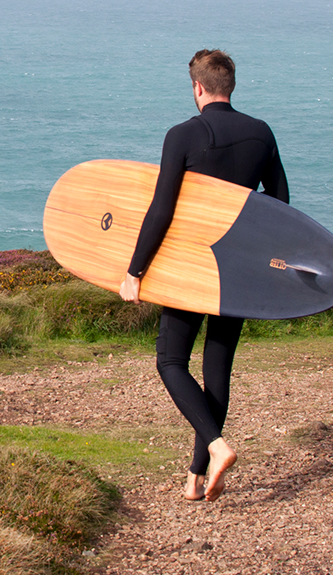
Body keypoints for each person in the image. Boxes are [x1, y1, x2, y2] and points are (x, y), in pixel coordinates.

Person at [119, 49, 289, 502]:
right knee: (217, 370)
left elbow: (161, 210)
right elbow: (279, 206)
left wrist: (135, 270)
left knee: (171, 361)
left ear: (197, 87)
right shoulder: (261, 134)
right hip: (239, 272)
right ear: (229, 85)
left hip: (189, 266)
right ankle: (196, 476)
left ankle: (216, 446)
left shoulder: (183, 135)